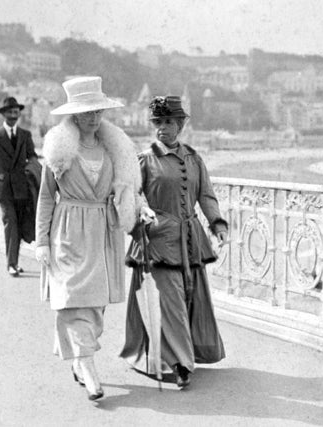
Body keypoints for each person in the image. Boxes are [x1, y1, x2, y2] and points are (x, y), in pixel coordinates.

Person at [34, 76, 141, 401]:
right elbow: (46, 198)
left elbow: (123, 188)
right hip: (67, 231)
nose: (93, 118)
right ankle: (89, 368)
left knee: (94, 306)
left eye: (97, 111)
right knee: (71, 298)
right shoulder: (59, 150)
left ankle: (80, 358)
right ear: (73, 116)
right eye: (86, 112)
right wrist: (41, 241)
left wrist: (136, 208)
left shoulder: (113, 149)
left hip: (102, 231)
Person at [120, 95, 228, 389]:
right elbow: (132, 195)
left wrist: (217, 223)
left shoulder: (194, 159)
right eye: (158, 122)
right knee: (171, 302)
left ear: (180, 125)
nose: (163, 128)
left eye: (169, 122)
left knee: (189, 297)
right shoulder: (143, 160)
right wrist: (141, 215)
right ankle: (181, 364)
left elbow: (206, 195)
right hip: (157, 239)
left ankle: (180, 354)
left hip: (190, 239)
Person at [0, 97, 39, 277]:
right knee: (10, 223)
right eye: (10, 112)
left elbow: (33, 157)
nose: (13, 116)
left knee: (20, 225)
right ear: (3, 114)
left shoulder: (25, 135)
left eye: (16, 112)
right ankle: (11, 264)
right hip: (3, 187)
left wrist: (33, 171)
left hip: (22, 186)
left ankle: (14, 261)